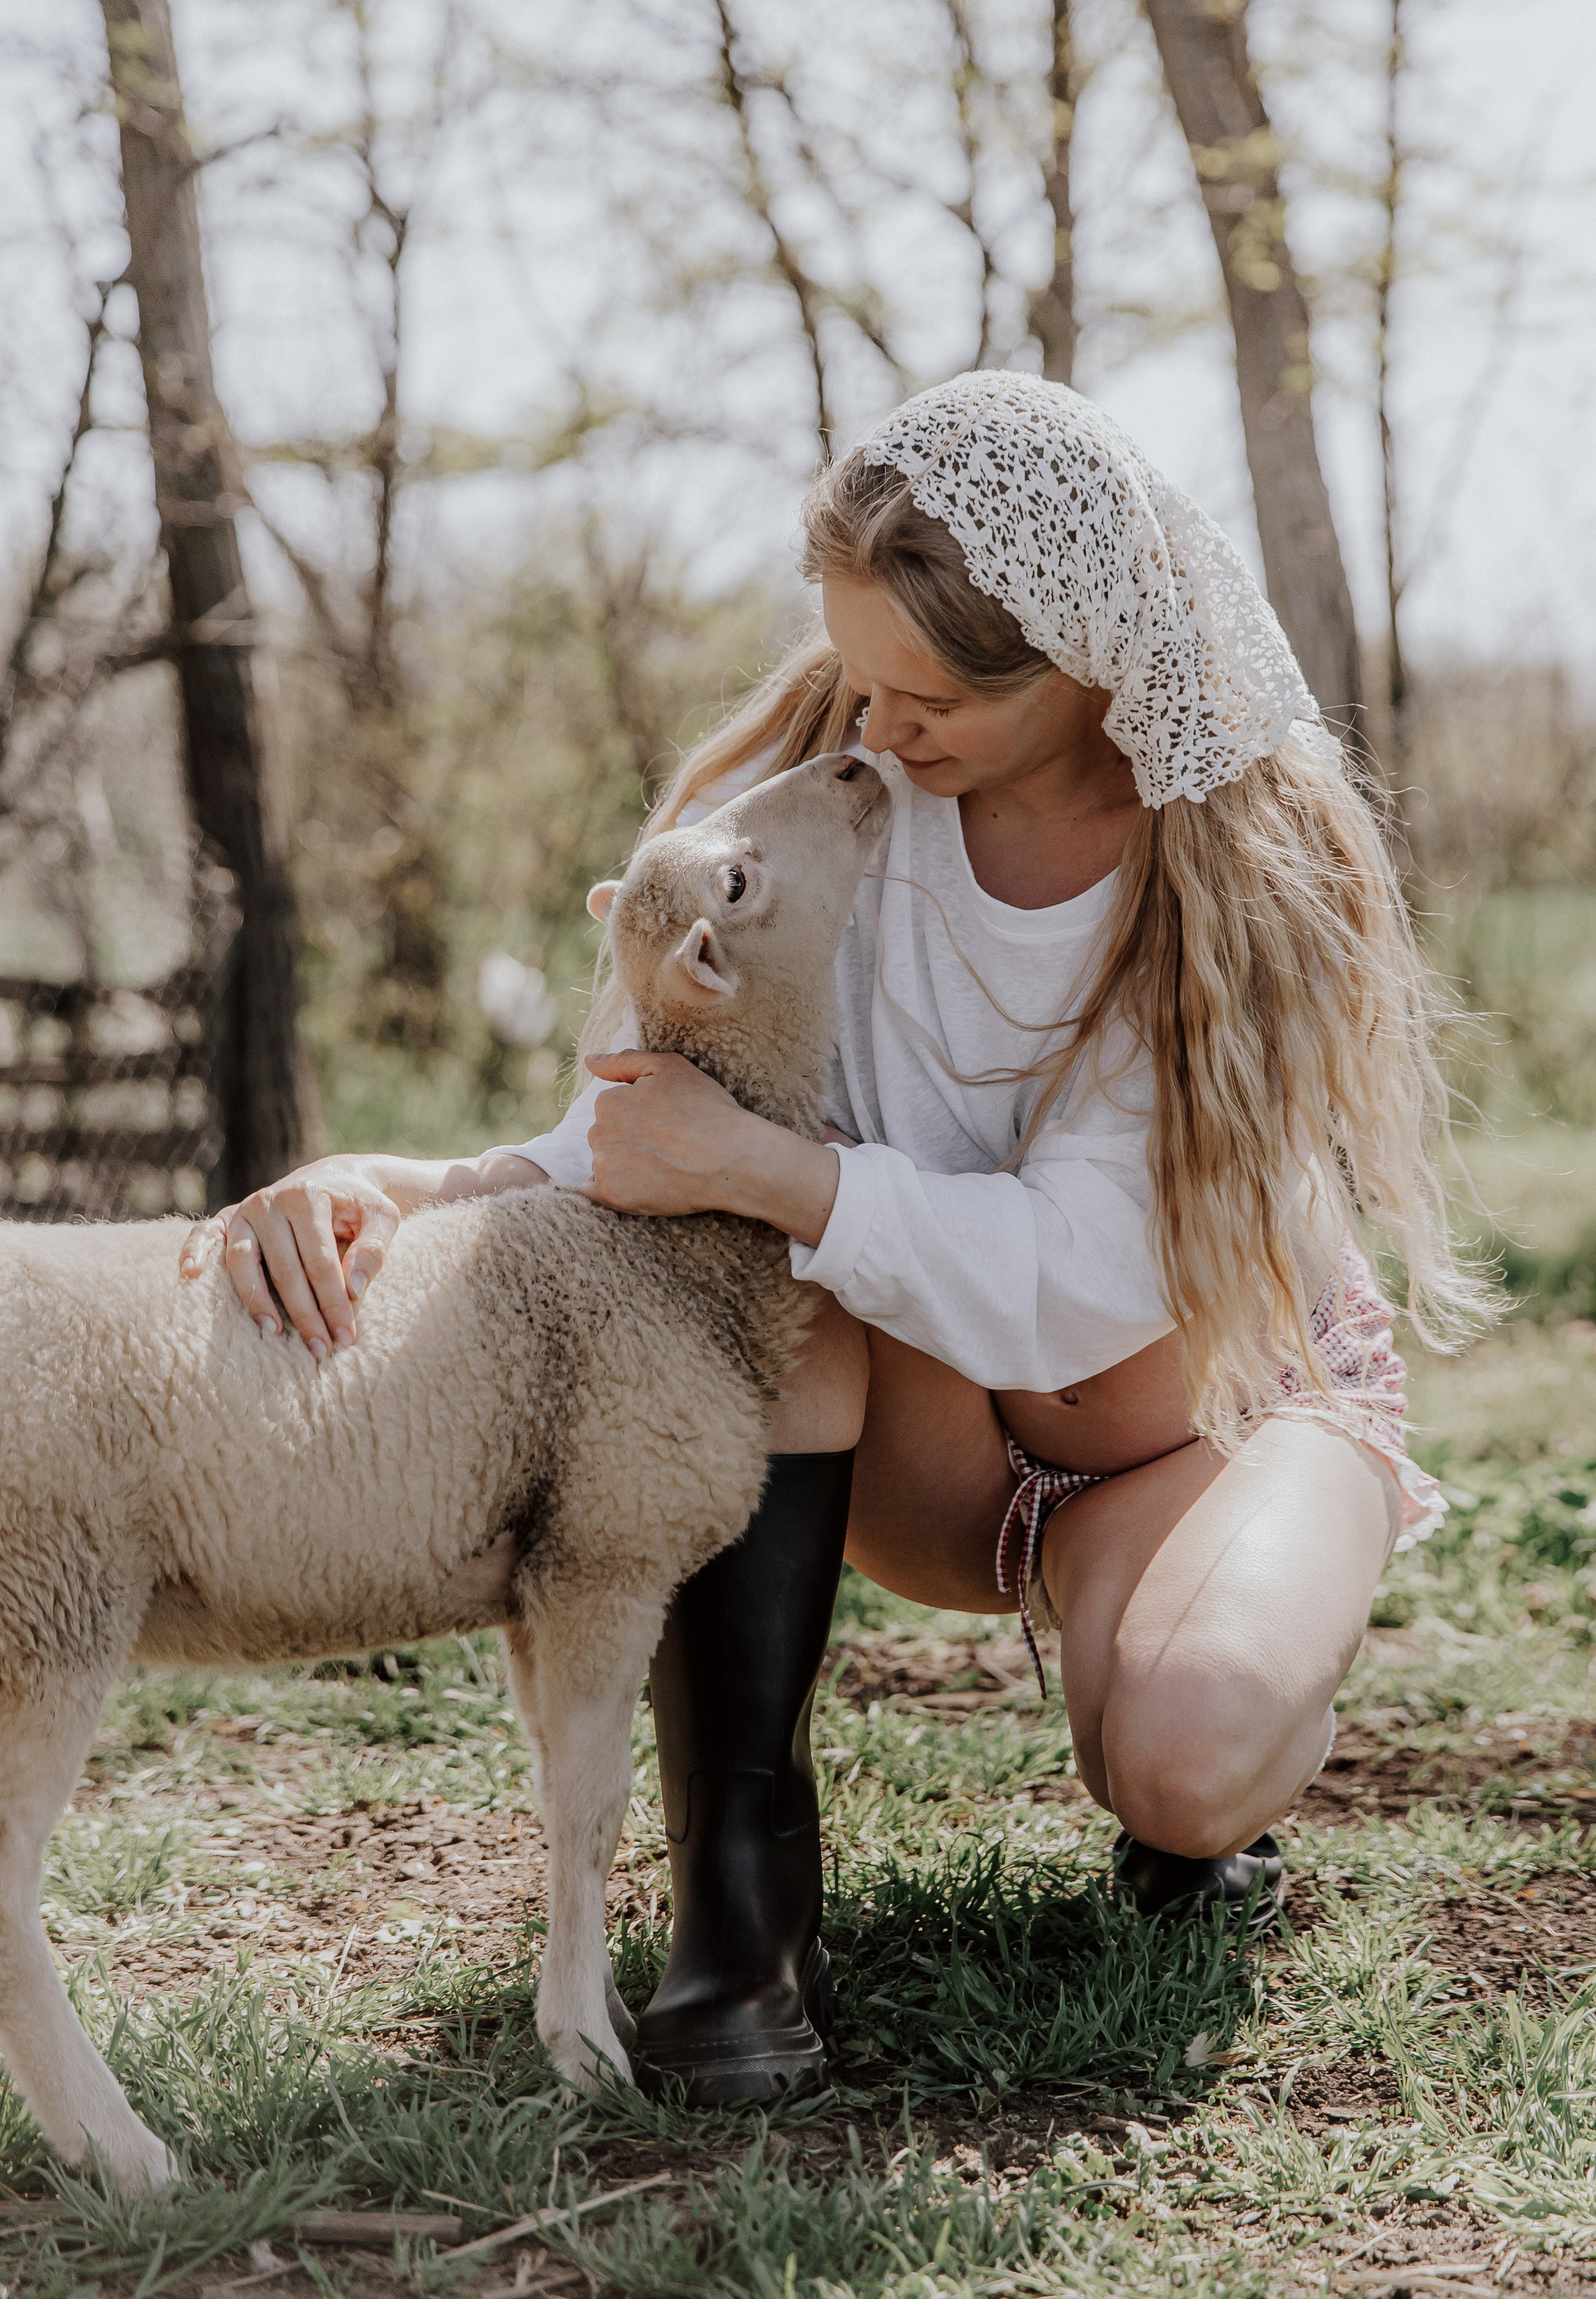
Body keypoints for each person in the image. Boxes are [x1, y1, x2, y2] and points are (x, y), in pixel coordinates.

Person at [181, 372, 1493, 2107]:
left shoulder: (1216, 858)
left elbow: (1094, 1268)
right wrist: (415, 1184)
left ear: (1086, 660)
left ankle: (1229, 1770)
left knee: (1179, 1758)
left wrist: (772, 1174)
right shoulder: (833, 795)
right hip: (929, 1449)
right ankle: (744, 1910)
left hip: (1211, 1421)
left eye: (930, 695)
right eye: (857, 669)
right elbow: (672, 1123)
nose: (875, 726)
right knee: (746, 1257)